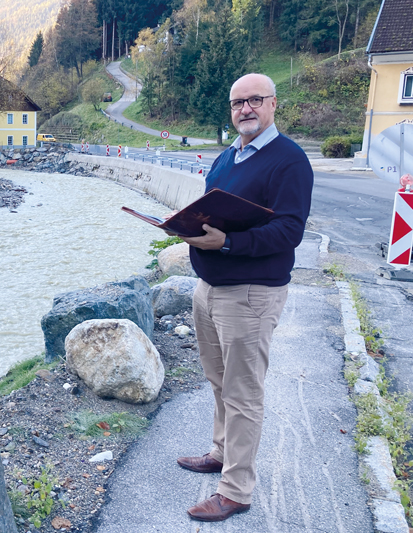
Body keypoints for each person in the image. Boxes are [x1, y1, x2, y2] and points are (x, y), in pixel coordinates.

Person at [175, 73, 314, 522]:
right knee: (219, 383)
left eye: (255, 100)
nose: (245, 109)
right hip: (209, 288)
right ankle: (220, 452)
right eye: (238, 103)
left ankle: (236, 490)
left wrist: (230, 245)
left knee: (243, 394)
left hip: (250, 294)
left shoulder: (289, 161)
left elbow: (289, 231)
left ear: (273, 104)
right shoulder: (228, 156)